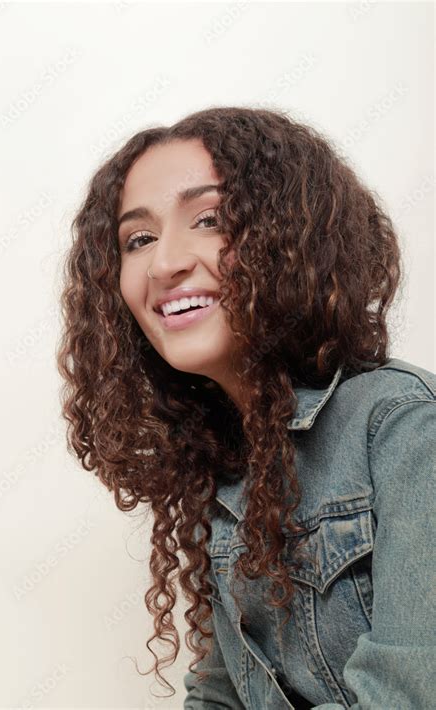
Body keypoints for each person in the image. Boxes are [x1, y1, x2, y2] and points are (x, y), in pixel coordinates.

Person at [56, 106, 436, 709]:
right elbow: (224, 690)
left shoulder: (404, 425)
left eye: (208, 219)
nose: (164, 262)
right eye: (140, 238)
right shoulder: (224, 463)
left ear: (292, 238)